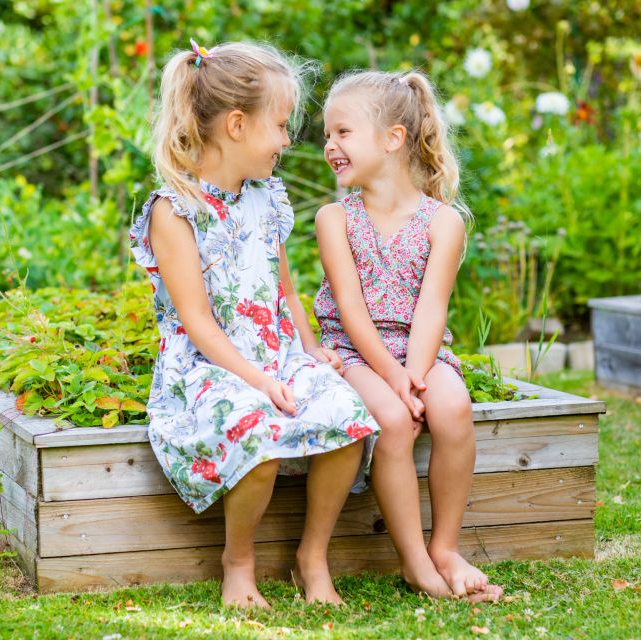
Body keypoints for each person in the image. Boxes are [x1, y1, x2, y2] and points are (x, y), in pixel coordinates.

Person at [129, 40, 380, 609]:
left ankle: (312, 558)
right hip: (210, 364)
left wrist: (311, 350)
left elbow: (284, 288)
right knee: (257, 433)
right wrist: (258, 381)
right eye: (282, 125)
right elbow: (195, 321)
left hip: (278, 353)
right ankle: (237, 562)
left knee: (348, 419)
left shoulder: (267, 200)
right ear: (238, 125)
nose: (289, 141)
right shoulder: (176, 210)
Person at [313, 70, 503, 602]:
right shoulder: (334, 219)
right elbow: (350, 311)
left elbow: (431, 310)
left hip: (418, 351)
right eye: (328, 135)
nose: (330, 146)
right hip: (354, 352)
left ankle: (445, 546)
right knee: (393, 423)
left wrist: (415, 376)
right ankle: (414, 559)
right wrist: (395, 380)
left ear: (393, 138)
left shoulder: (444, 221)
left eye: (343, 133)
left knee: (452, 407)